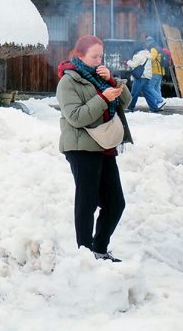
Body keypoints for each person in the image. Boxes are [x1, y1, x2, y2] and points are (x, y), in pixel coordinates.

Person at [57, 34, 133, 262]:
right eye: (94, 56)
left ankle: (99, 248)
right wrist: (102, 98)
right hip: (81, 147)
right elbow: (76, 117)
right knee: (87, 202)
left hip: (105, 146)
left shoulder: (101, 76)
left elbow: (125, 102)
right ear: (80, 55)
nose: (99, 60)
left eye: (101, 55)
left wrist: (112, 81)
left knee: (116, 203)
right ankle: (85, 254)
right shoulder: (68, 82)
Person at [126, 36, 164, 112]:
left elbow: (134, 65)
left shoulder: (139, 55)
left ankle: (130, 107)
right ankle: (154, 107)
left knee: (134, 93)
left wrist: (127, 62)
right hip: (147, 77)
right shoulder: (148, 54)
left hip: (140, 77)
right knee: (147, 93)